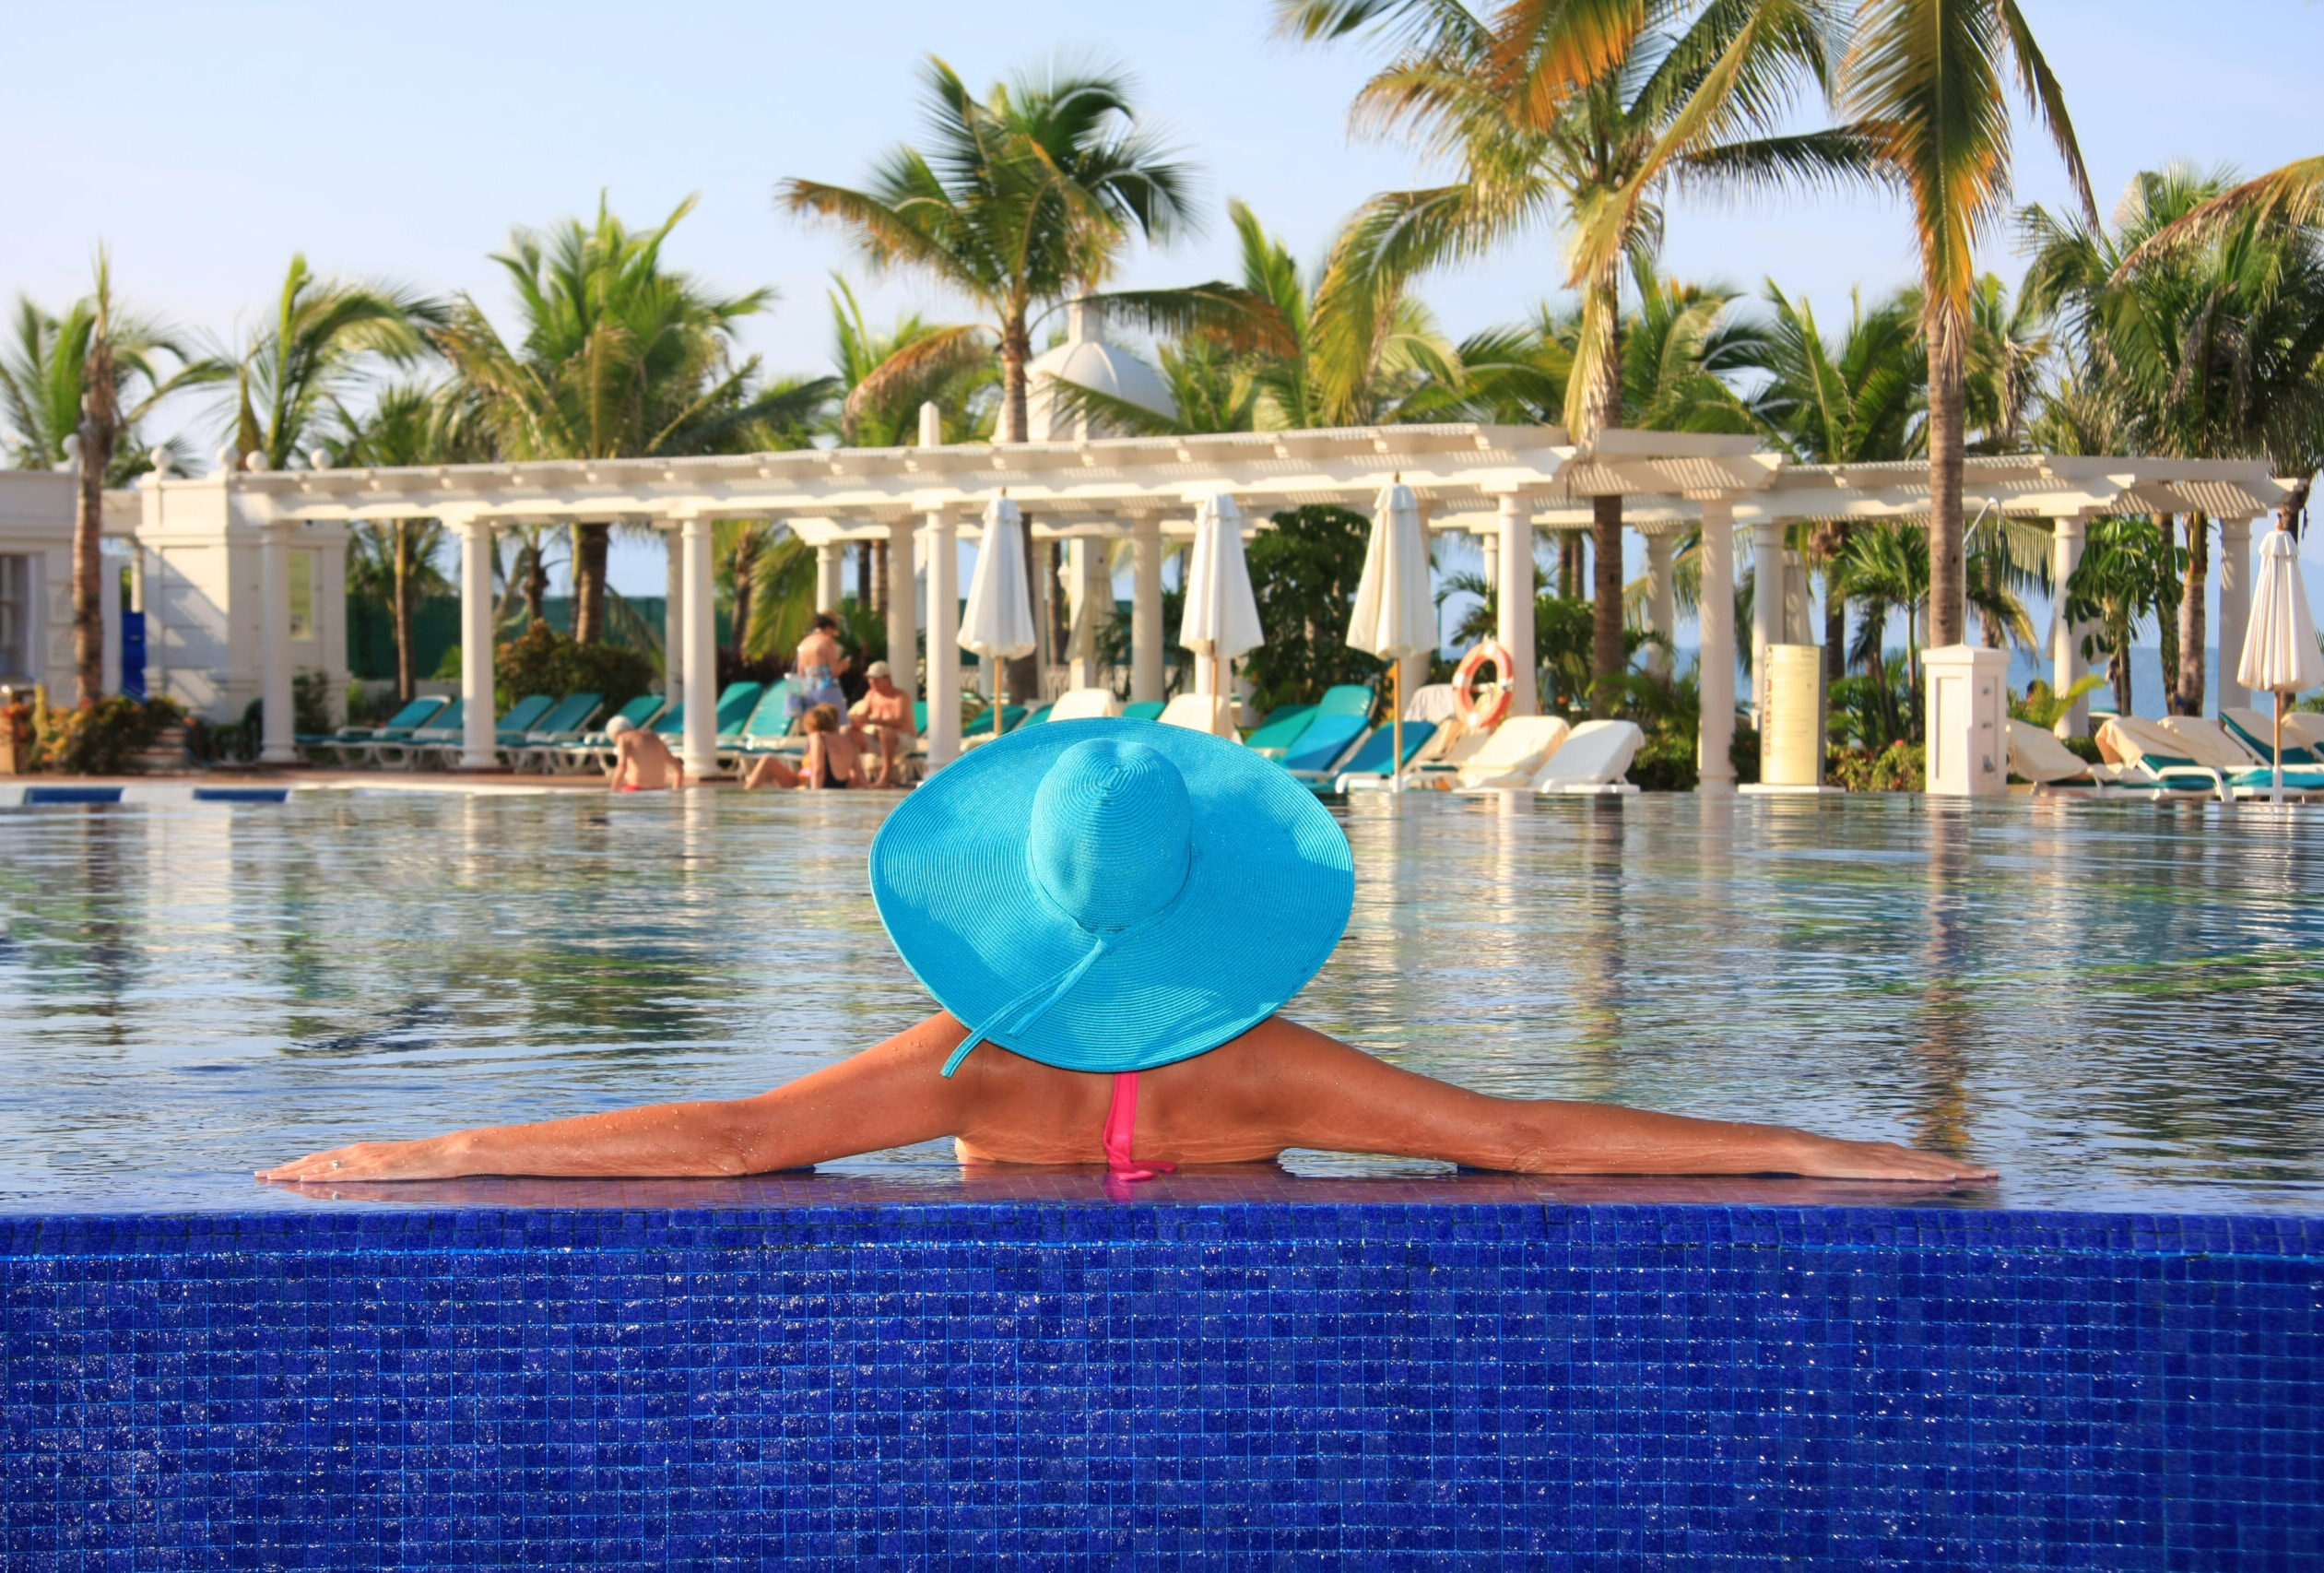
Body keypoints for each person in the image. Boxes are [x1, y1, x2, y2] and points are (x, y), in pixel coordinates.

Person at [262, 723, 1992, 1187]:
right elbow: (1524, 1136)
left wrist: (438, 1147)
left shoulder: (978, 1062)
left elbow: (726, 1140)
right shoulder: (1255, 1066)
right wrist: (1806, 1145)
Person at [741, 704, 868, 791]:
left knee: (767, 760)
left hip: (812, 785)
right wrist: (869, 791)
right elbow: (860, 773)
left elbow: (819, 770)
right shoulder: (849, 741)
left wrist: (814, 797)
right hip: (839, 785)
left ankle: (745, 795)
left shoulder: (818, 737)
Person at [850, 660, 917, 787]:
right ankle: (855, 776)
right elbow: (863, 718)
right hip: (879, 739)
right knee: (848, 732)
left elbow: (899, 721)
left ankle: (885, 777)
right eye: (870, 678)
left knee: (886, 732)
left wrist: (872, 721)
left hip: (903, 740)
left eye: (876, 679)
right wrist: (853, 721)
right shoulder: (871, 695)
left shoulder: (900, 696)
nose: (872, 682)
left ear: (888, 679)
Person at [790, 611, 849, 721]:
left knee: (814, 728)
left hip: (808, 690)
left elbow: (800, 673)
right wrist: (844, 665)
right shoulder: (827, 641)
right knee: (834, 725)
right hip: (827, 688)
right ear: (829, 628)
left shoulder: (804, 642)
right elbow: (835, 671)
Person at [605, 715, 684, 792]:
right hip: (660, 791)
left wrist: (613, 792)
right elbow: (679, 768)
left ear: (615, 734)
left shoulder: (623, 738)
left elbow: (622, 767)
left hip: (635, 790)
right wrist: (676, 792)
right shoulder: (654, 737)